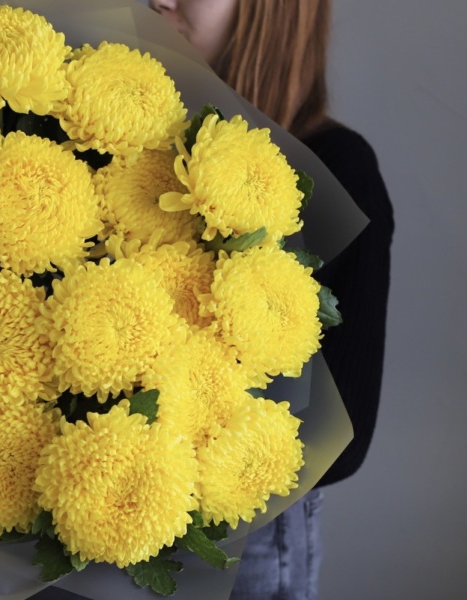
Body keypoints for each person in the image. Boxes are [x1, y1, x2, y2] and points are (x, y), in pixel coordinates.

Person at [148, 1, 394, 599]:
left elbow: (344, 442)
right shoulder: (113, 150)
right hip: (97, 518)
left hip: (241, 547)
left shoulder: (338, 171)